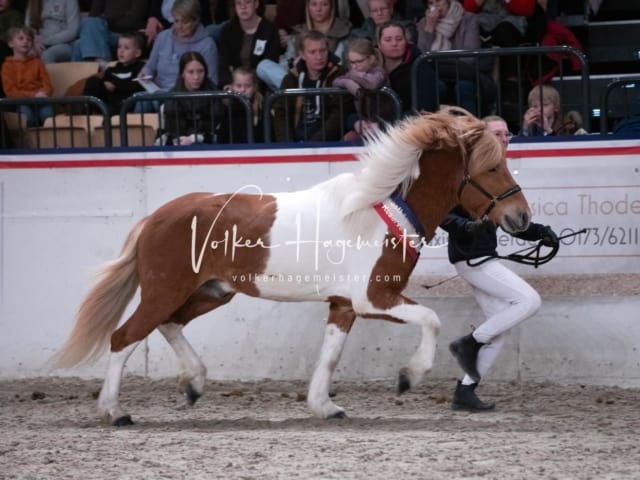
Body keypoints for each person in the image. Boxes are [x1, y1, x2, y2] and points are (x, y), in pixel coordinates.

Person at [442, 114, 560, 412]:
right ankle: (469, 342)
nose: (505, 138)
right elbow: (445, 215)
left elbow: (508, 220)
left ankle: (465, 392)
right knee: (529, 301)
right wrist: (465, 227)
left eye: (507, 133)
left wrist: (540, 233)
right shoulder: (466, 172)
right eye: (498, 133)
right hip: (472, 258)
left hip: (482, 257)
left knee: (499, 329)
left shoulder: (494, 174)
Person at [416, 0, 495, 116]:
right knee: (435, 88)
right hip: (437, 74)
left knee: (463, 89)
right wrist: (430, 27)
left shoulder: (468, 19)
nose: (436, 6)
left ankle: (473, 129)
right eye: (431, 3)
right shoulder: (424, 23)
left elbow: (470, 54)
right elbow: (422, 55)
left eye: (439, 1)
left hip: (464, 74)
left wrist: (442, 62)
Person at [272, 29, 347, 142]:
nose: (319, 57)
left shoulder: (340, 75)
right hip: (297, 139)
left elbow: (338, 115)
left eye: (323, 51)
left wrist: (315, 144)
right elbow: (281, 114)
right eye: (313, 52)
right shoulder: (291, 77)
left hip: (329, 141)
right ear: (302, 54)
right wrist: (287, 145)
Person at [140, 0, 218, 92]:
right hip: (158, 92)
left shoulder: (207, 45)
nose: (179, 27)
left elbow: (212, 82)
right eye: (176, 21)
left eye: (185, 22)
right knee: (139, 102)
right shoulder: (163, 37)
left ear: (196, 21)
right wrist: (144, 74)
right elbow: (150, 67)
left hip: (185, 97)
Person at [217, 0, 281, 91]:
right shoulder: (227, 31)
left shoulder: (270, 30)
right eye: (239, 3)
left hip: (262, 86)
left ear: (256, 4)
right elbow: (223, 64)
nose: (243, 7)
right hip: (235, 86)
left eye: (247, 2)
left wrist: (251, 84)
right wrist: (227, 85)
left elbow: (271, 64)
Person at [332, 37, 388, 140]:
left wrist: (350, 78)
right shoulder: (353, 75)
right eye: (352, 62)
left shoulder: (379, 72)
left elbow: (372, 84)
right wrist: (348, 82)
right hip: (364, 122)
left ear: (371, 59)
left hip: (384, 123)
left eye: (359, 61)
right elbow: (336, 82)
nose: (354, 67)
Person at [159, 50, 218, 145]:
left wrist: (195, 139)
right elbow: (167, 132)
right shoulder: (172, 96)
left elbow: (216, 132)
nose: (196, 77)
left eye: (200, 71)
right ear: (182, 73)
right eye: (191, 72)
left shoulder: (215, 95)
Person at [376, 20, 433, 115]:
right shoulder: (369, 63)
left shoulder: (419, 63)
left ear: (406, 42)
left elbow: (424, 107)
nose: (394, 44)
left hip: (409, 122)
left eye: (399, 39)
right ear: (379, 45)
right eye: (388, 40)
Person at [82, 31, 146, 116]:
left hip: (127, 104)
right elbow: (104, 85)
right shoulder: (111, 70)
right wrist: (105, 84)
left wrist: (115, 86)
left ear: (137, 53)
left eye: (126, 48)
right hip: (108, 103)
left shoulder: (141, 68)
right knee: (93, 81)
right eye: (119, 47)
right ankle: (85, 108)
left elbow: (138, 85)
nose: (121, 51)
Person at [1, 26, 54, 126]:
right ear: (11, 43)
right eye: (21, 38)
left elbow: (48, 85)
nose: (25, 42)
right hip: (21, 101)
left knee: (48, 116)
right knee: (27, 118)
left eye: (29, 39)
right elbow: (10, 91)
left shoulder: (38, 63)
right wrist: (33, 95)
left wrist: (43, 94)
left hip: (40, 99)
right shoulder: (7, 66)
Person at [71, 0, 153, 63]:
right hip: (107, 33)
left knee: (81, 44)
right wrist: (109, 19)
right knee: (89, 24)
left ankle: (97, 69)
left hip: (130, 35)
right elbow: (93, 18)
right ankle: (102, 64)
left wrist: (106, 19)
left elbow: (132, 20)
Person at [217, 65, 264, 143]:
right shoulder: (229, 110)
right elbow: (222, 138)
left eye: (248, 86)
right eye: (239, 86)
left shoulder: (262, 108)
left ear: (255, 87)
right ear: (232, 87)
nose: (243, 90)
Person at [349, 0, 415, 45]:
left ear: (391, 9)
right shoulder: (360, 32)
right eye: (375, 11)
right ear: (371, 14)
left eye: (383, 9)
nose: (379, 13)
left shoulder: (406, 27)